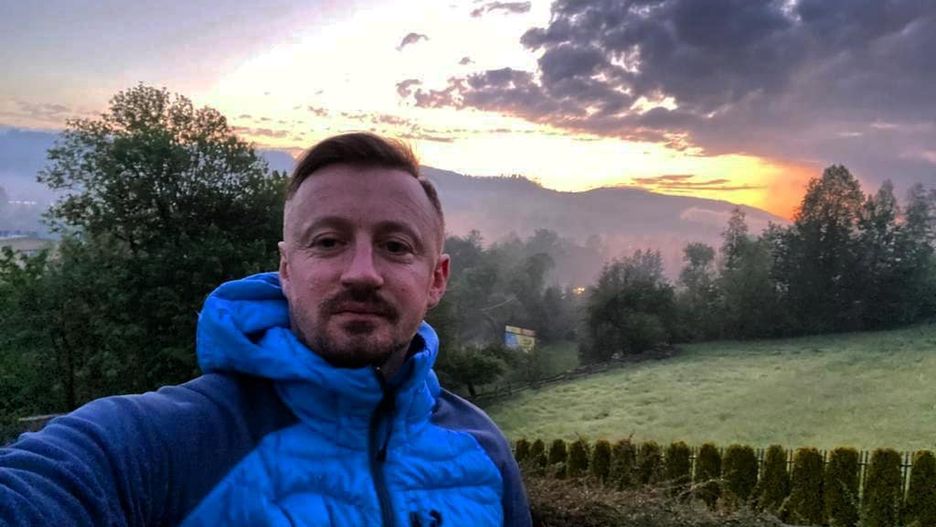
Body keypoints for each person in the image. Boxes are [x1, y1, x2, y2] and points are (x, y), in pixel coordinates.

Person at [0, 132, 531, 526]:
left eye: (396, 246)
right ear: (285, 270)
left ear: (436, 279)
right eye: (328, 241)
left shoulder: (482, 450)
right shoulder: (161, 444)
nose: (361, 272)